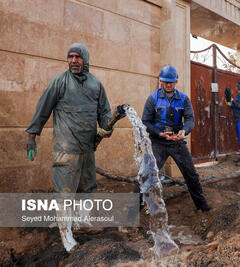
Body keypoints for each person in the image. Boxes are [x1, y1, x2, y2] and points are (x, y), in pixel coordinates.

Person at [25, 43, 125, 252]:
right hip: (66, 148)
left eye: (77, 57)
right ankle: (66, 233)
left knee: (87, 187)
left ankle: (81, 222)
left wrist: (113, 120)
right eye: (70, 57)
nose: (72, 61)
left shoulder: (96, 85)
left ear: (85, 59)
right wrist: (32, 135)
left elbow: (104, 116)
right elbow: (43, 107)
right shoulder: (59, 82)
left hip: (87, 148)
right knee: (65, 191)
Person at [142, 65, 212, 212]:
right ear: (160, 80)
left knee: (191, 174)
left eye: (171, 82)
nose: (168, 85)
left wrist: (183, 131)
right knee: (148, 175)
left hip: (177, 142)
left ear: (176, 81)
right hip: (159, 142)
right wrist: (159, 133)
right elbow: (146, 122)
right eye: (166, 81)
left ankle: (202, 206)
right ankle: (133, 211)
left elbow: (190, 119)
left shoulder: (183, 99)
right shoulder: (152, 98)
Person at [226, 82, 240, 166]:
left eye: (236, 86)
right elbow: (235, 106)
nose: (235, 88)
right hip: (239, 119)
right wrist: (229, 102)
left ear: (239, 87)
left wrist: (232, 100)